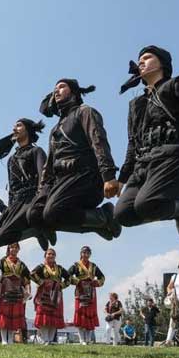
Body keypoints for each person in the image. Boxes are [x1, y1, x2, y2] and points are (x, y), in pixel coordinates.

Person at [114, 46, 179, 242]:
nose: (141, 62)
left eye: (147, 57)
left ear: (163, 64)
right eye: (139, 59)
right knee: (123, 214)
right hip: (143, 164)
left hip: (173, 158)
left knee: (146, 205)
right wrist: (122, 179)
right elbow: (133, 143)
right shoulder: (135, 104)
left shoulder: (176, 85)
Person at [28, 79, 122, 242]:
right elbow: (48, 166)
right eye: (54, 89)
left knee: (52, 213)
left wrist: (108, 176)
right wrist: (41, 192)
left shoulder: (84, 111)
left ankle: (104, 215)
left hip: (86, 177)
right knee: (35, 215)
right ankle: (96, 226)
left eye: (62, 87)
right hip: (61, 181)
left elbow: (98, 141)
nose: (56, 91)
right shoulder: (54, 130)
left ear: (73, 92)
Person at [0, 119, 50, 250]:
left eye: (19, 125)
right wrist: (9, 209)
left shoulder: (36, 151)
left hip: (31, 198)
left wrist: (41, 199)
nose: (14, 128)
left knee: (5, 234)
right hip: (16, 202)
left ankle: (38, 228)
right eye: (14, 126)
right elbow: (11, 187)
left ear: (28, 130)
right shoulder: (12, 159)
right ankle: (34, 230)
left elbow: (45, 176)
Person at [30, 247, 69, 345]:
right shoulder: (41, 267)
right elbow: (32, 274)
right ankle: (44, 339)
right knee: (44, 316)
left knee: (54, 316)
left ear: (55, 256)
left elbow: (69, 278)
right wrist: (41, 282)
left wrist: (62, 285)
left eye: (53, 254)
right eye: (49, 254)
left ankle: (50, 340)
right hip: (44, 293)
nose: (51, 255)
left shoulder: (59, 268)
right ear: (45, 256)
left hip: (56, 294)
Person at [0, 242, 31, 345]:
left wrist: (27, 290)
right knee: (4, 313)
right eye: (12, 247)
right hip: (5, 289)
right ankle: (3, 339)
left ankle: (10, 339)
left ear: (18, 250)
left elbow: (28, 276)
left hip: (17, 291)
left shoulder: (22, 264)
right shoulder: (2, 261)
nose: (14, 249)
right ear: (8, 249)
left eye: (16, 248)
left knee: (13, 314)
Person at [68, 246, 104, 345]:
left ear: (90, 254)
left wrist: (97, 282)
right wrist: (76, 281)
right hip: (80, 291)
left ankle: (88, 339)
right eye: (84, 253)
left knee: (89, 314)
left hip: (91, 292)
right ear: (81, 254)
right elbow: (67, 275)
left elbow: (102, 277)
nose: (86, 255)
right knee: (80, 312)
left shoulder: (94, 266)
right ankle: (81, 339)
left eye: (88, 253)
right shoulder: (76, 265)